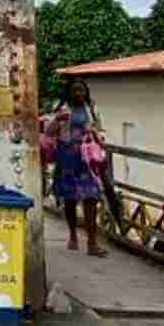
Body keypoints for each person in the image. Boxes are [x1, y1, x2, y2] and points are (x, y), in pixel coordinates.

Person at [51, 79, 108, 257]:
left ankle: (92, 243)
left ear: (86, 92)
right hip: (67, 159)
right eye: (74, 90)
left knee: (91, 198)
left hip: (87, 161)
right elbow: (49, 132)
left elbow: (100, 131)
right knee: (70, 200)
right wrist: (56, 120)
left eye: (81, 90)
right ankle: (73, 235)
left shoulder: (91, 109)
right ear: (69, 93)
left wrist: (100, 145)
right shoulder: (60, 108)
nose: (78, 94)